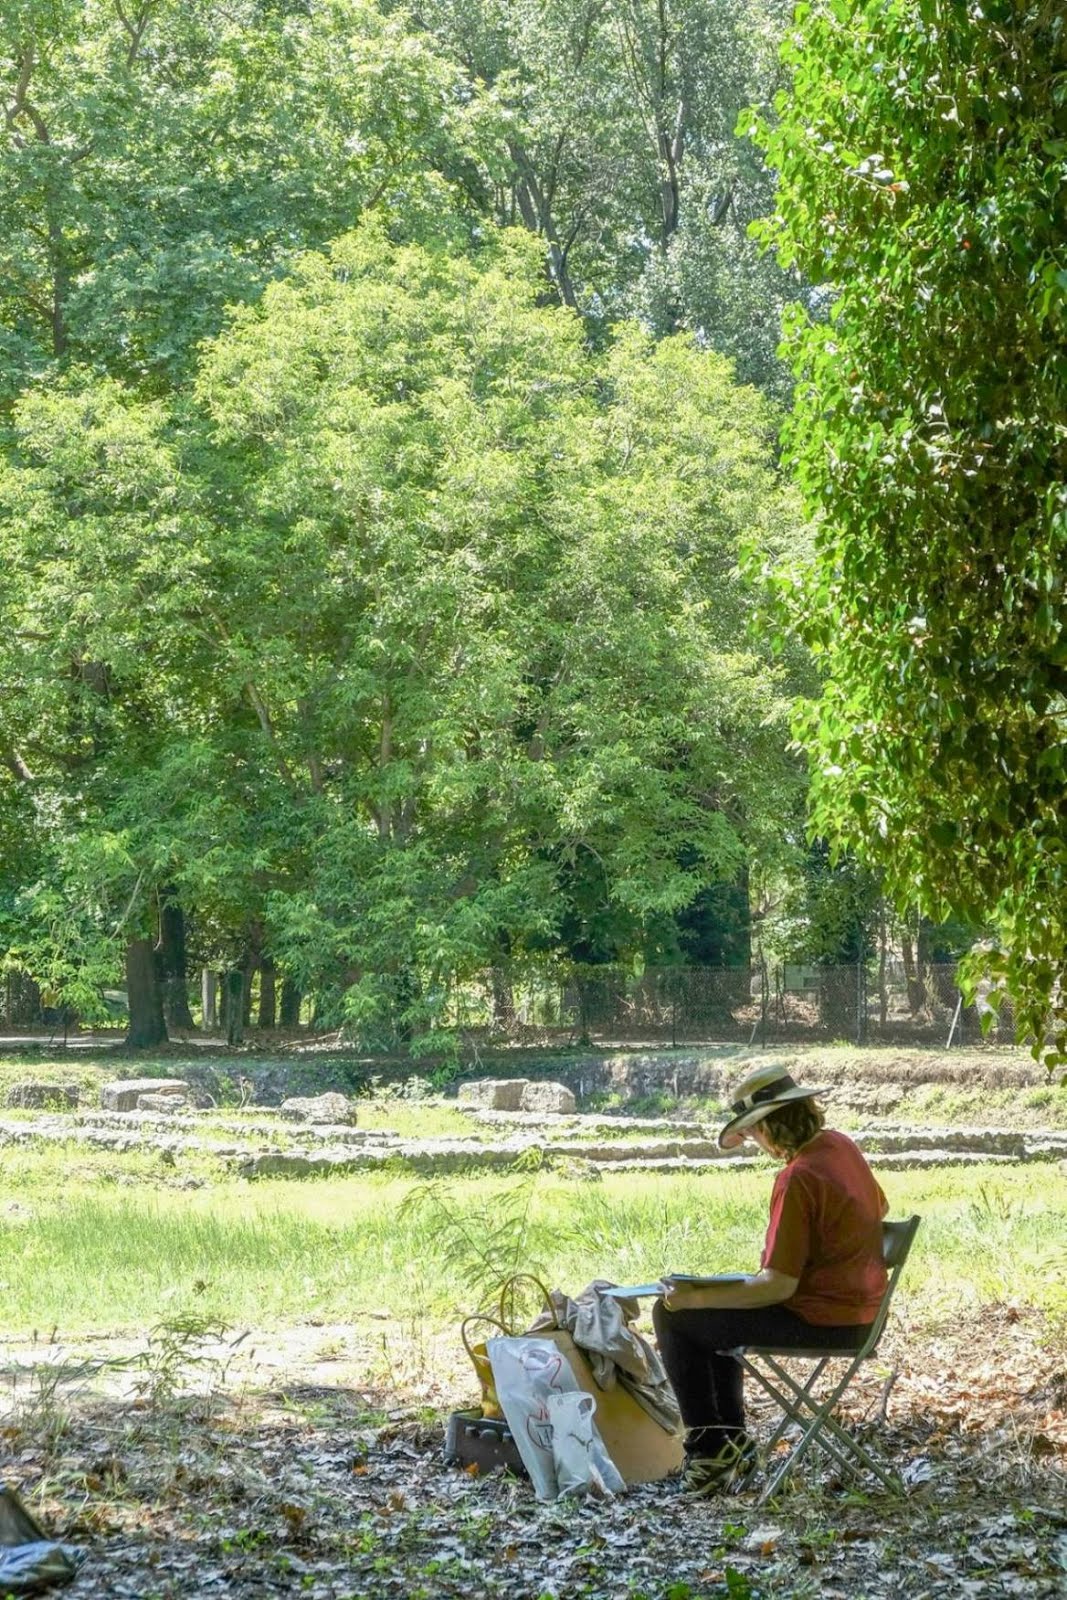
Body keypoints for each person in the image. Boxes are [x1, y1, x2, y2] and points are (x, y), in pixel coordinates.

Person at [652, 1063, 889, 1496]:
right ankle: (732, 1441)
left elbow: (779, 1287)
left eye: (754, 1133)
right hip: (866, 1314)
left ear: (769, 1126)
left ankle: (709, 1451)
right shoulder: (840, 1146)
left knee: (672, 1315)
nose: (756, 1144)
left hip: (825, 1320)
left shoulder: (798, 1177)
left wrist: (696, 1298)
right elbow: (880, 1208)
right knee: (714, 1318)